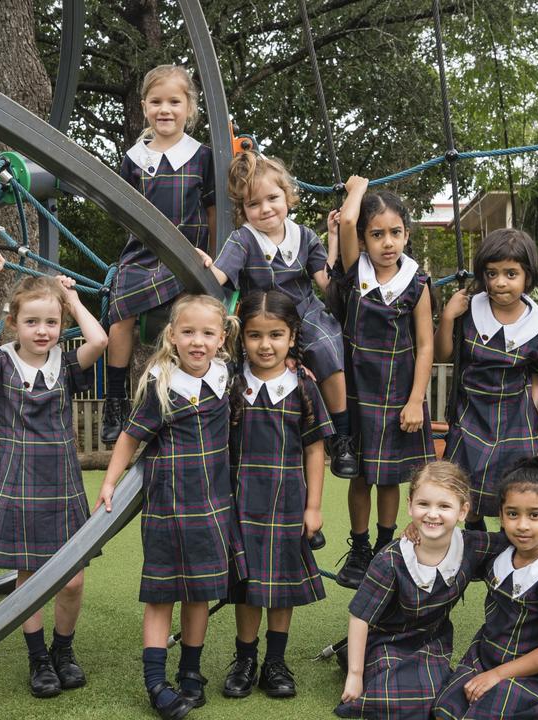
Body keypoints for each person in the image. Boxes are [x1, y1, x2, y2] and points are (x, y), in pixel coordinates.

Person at [0, 252, 109, 697]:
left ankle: (64, 650)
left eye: (51, 322)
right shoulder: (0, 365)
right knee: (30, 576)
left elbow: (97, 340)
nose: (42, 331)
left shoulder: (66, 364)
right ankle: (38, 657)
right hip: (18, 484)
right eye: (32, 322)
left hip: (61, 486)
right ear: (14, 325)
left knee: (72, 578)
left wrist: (73, 299)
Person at [335, 461, 538, 719]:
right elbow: (360, 616)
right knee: (414, 707)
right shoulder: (391, 559)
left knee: (430, 704)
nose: (432, 514)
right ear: (409, 506)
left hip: (433, 640)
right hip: (388, 639)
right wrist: (355, 675)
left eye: (444, 506)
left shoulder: (475, 547)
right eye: (423, 504)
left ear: (463, 511)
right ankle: (357, 659)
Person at [95, 294, 242, 720]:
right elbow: (130, 436)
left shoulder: (224, 376)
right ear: (172, 336)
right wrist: (109, 481)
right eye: (189, 332)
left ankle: (191, 672)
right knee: (161, 596)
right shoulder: (162, 385)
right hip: (168, 509)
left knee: (199, 595)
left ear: (221, 338)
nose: (198, 341)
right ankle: (156, 681)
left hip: (214, 508)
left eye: (208, 333)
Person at [211, 151, 357, 478]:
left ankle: (342, 437)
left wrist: (333, 240)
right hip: (262, 318)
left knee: (327, 347)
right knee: (233, 364)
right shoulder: (243, 239)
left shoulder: (303, 236)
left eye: (273, 198)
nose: (265, 209)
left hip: (304, 312)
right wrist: (202, 267)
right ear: (242, 210)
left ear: (288, 196)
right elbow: (218, 277)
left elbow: (325, 282)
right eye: (253, 204)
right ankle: (228, 439)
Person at [223, 290, 332, 700]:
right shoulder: (231, 384)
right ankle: (245, 659)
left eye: (276, 335)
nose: (265, 345)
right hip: (241, 502)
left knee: (280, 585)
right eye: (254, 335)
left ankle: (275, 662)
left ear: (292, 336)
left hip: (288, 503)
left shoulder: (302, 386)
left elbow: (315, 447)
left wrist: (314, 506)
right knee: (248, 585)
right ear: (241, 337)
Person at [101, 65, 218, 445]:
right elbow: (123, 211)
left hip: (187, 255)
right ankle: (115, 399)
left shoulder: (202, 157)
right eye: (156, 102)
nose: (164, 109)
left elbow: (214, 211)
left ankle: (178, 396)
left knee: (187, 319)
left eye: (174, 101)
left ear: (190, 107)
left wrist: (213, 256)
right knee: (119, 314)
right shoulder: (134, 159)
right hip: (143, 253)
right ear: (144, 107)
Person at [333, 174, 435, 589]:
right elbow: (344, 225)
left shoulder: (417, 283)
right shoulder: (352, 270)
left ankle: (384, 545)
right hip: (359, 393)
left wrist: (416, 401)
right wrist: (356, 191)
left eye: (395, 233)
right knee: (359, 475)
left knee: (389, 477)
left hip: (396, 396)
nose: (388, 243)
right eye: (377, 234)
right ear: (364, 239)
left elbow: (426, 347)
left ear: (407, 235)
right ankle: (359, 548)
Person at [432, 456, 538, 720]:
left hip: (531, 674)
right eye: (513, 514)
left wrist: (497, 675)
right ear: (500, 516)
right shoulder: (500, 547)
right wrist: (417, 528)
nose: (522, 525)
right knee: (443, 711)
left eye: (535, 515)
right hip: (484, 655)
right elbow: (451, 537)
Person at [436, 228, 538, 526]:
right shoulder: (470, 309)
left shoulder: (537, 324)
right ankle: (474, 535)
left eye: (511, 274)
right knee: (468, 481)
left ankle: (508, 541)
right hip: (471, 408)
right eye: (492, 273)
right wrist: (448, 317)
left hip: (516, 412)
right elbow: (443, 355)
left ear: (528, 276)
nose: (500, 282)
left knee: (515, 485)